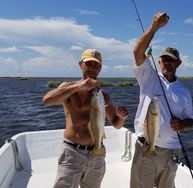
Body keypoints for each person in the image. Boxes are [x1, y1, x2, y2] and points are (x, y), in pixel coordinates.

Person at [42, 48, 128, 188]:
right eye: (89, 64)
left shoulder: (103, 95)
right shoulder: (68, 88)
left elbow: (116, 124)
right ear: (80, 64)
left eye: (96, 65)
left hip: (97, 152)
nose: (92, 68)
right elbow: (47, 100)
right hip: (72, 152)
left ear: (100, 68)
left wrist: (121, 118)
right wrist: (79, 85)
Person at [130, 12, 193, 188]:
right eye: (164, 59)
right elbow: (137, 52)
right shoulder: (149, 77)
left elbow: (191, 120)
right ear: (158, 62)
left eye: (171, 60)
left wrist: (183, 124)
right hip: (147, 147)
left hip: (172, 150)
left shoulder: (184, 91)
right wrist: (154, 27)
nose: (167, 63)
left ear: (178, 63)